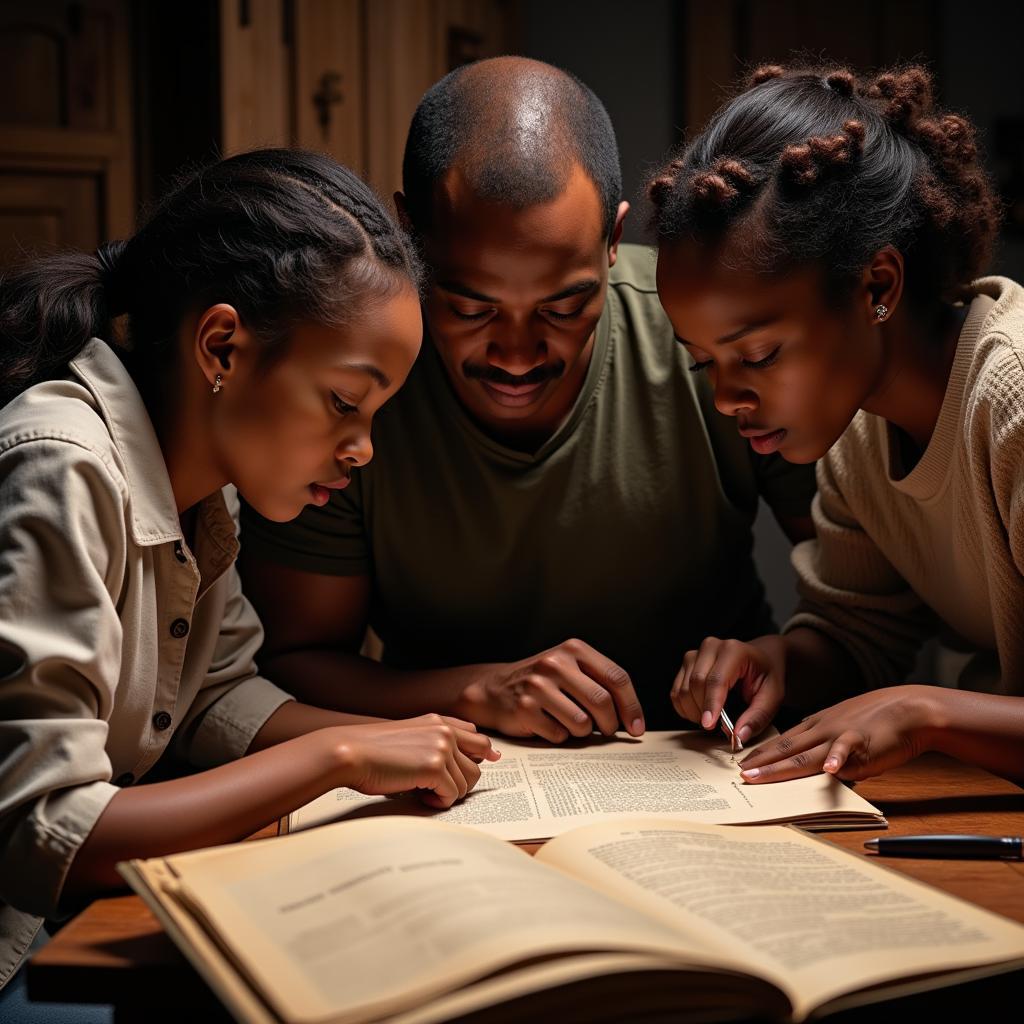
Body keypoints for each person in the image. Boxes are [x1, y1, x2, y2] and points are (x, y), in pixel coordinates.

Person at [0, 148, 498, 992]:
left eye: (377, 414)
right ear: (223, 347)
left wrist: (404, 740)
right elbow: (46, 832)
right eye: (345, 401)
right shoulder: (63, 466)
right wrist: (339, 754)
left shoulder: (206, 488)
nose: (363, 448)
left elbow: (216, 699)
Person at [238, 57, 818, 741]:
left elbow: (866, 615)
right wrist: (475, 692)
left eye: (565, 306)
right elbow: (293, 660)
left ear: (613, 241)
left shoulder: (709, 341)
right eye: (471, 308)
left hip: (714, 764)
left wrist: (777, 660)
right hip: (454, 778)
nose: (516, 355)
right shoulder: (353, 385)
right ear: (409, 238)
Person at [650, 63, 1024, 783]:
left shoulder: (1010, 401)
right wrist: (776, 661)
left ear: (877, 287)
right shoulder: (858, 433)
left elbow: (903, 696)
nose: (728, 398)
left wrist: (923, 711)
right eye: (705, 364)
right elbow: (861, 634)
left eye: (757, 354)